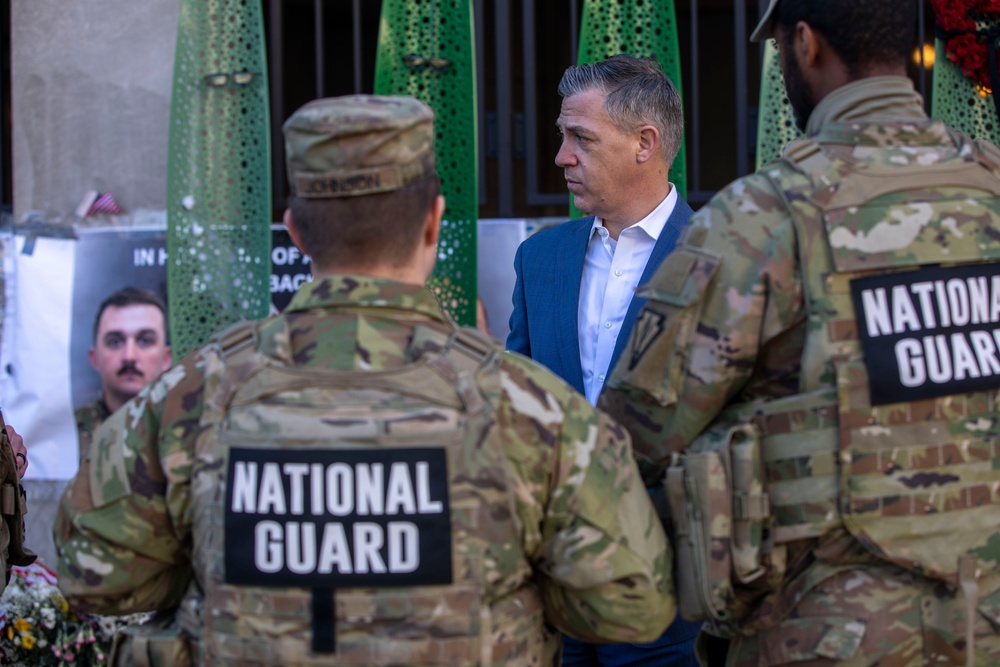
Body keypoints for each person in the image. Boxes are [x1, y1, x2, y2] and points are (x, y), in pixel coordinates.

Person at [54, 94, 676, 665]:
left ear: (295, 232)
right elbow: (632, 605)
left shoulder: (188, 397)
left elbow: (93, 576)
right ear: (433, 225)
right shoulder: (531, 407)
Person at [600, 0, 1000, 664]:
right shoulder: (991, 185)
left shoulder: (763, 215)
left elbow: (635, 431)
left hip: (828, 632)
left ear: (805, 44)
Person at [507, 54, 701, 666]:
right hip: (556, 594)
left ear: (645, 143)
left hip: (676, 594)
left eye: (581, 138)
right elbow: (519, 403)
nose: (561, 157)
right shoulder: (539, 259)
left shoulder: (721, 256)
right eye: (562, 136)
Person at [74, 287, 172, 457]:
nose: (129, 356)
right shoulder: (66, 435)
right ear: (95, 358)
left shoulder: (191, 431)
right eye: (115, 342)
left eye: (145, 341)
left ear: (166, 358)